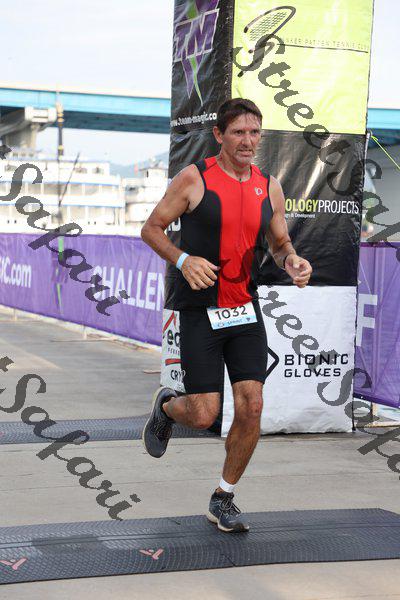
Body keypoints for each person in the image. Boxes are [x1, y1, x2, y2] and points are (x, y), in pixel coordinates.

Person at [141, 98, 312, 533]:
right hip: (201, 311)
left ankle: (224, 497)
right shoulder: (194, 178)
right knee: (203, 415)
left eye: (254, 132)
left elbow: (279, 243)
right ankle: (167, 407)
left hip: (244, 310)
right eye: (238, 132)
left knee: (252, 405)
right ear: (219, 135)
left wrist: (291, 260)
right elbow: (151, 228)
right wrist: (182, 260)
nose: (247, 141)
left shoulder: (269, 186)